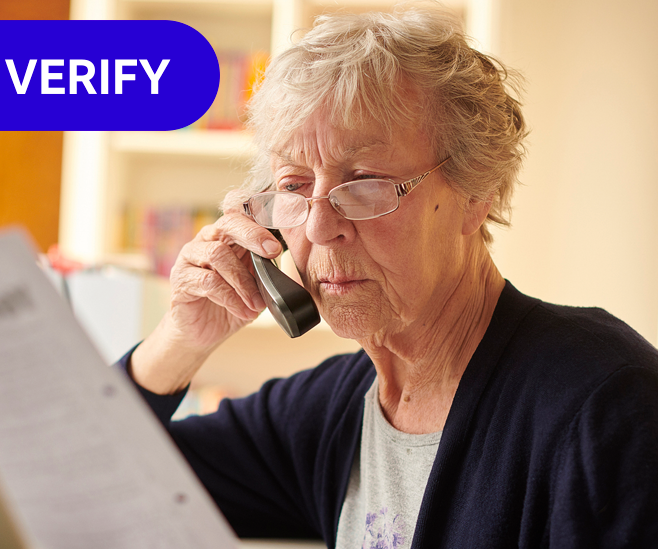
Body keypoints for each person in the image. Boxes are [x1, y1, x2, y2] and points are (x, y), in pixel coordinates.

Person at [115, 6, 658, 548]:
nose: (322, 226)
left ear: (476, 194)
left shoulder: (605, 400)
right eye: (295, 185)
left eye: (367, 181)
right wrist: (182, 339)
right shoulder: (332, 410)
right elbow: (101, 486)